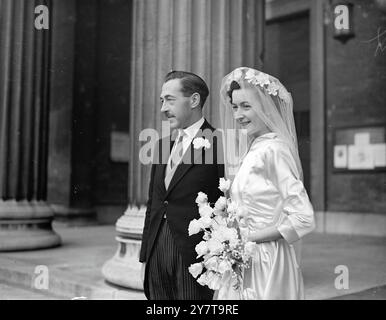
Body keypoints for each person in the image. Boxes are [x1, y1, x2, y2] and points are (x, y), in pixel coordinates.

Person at [217, 67, 315, 300]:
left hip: (267, 263)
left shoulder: (274, 149)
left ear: (266, 108)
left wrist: (249, 238)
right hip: (244, 258)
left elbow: (304, 218)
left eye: (246, 106)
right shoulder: (254, 148)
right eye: (234, 107)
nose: (238, 115)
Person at [139, 71, 224, 300]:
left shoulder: (220, 143)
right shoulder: (161, 146)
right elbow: (154, 203)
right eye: (161, 101)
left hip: (195, 257)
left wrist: (216, 262)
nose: (163, 108)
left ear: (194, 100)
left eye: (170, 100)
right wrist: (145, 256)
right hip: (157, 252)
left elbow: (226, 206)